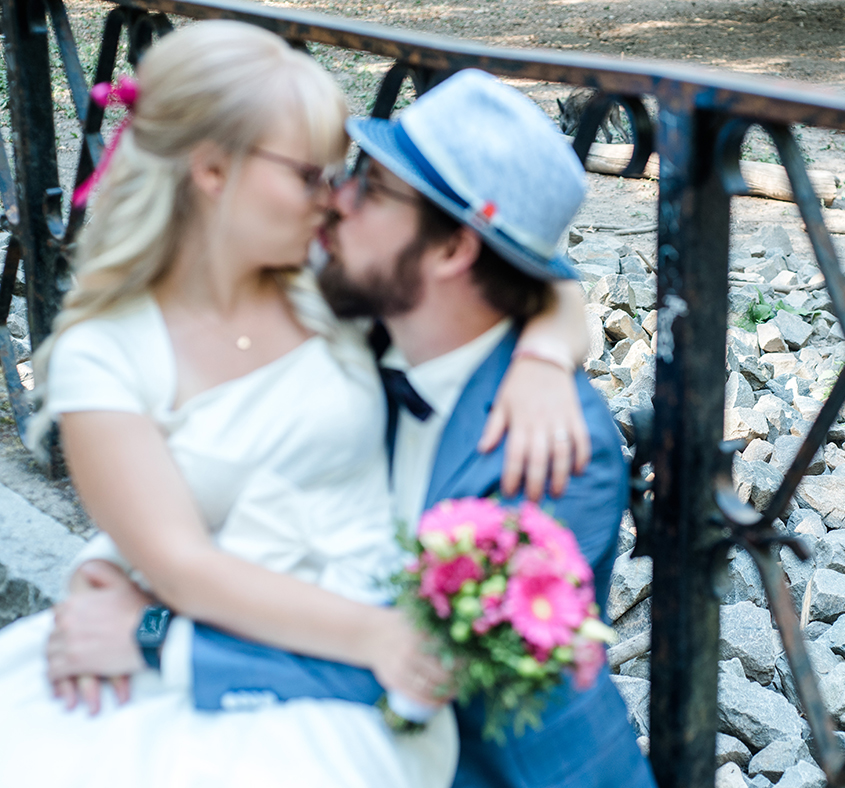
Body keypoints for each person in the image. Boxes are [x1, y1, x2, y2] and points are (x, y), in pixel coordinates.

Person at [0, 23, 593, 788]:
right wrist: (384, 639)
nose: (337, 198)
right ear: (213, 170)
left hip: (365, 666)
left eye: (340, 173)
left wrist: (546, 352)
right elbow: (180, 565)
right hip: (219, 645)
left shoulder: (320, 283)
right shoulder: (104, 354)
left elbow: (532, 268)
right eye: (311, 173)